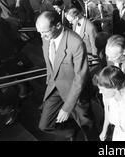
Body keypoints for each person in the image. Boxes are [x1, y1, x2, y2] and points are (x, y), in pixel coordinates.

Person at [36, 11, 94, 140]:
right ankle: (70, 131)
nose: (41, 35)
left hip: (75, 92)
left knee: (88, 128)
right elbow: (50, 66)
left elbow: (80, 78)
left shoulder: (76, 43)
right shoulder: (46, 37)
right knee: (44, 125)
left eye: (44, 32)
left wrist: (67, 108)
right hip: (55, 88)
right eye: (39, 32)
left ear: (57, 26)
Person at [66, 7, 100, 77]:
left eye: (71, 21)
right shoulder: (75, 24)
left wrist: (95, 61)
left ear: (76, 18)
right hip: (79, 56)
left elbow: (95, 46)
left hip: (89, 57)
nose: (70, 23)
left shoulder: (90, 27)